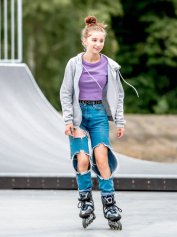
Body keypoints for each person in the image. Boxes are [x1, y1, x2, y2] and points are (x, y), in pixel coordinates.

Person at [60, 15, 137, 230]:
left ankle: (110, 204)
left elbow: (118, 95)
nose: (98, 44)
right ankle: (85, 202)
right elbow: (66, 93)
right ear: (84, 41)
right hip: (78, 116)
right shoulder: (74, 64)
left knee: (102, 158)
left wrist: (119, 121)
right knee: (83, 160)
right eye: (94, 40)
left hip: (99, 115)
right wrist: (68, 120)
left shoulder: (110, 66)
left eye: (101, 40)